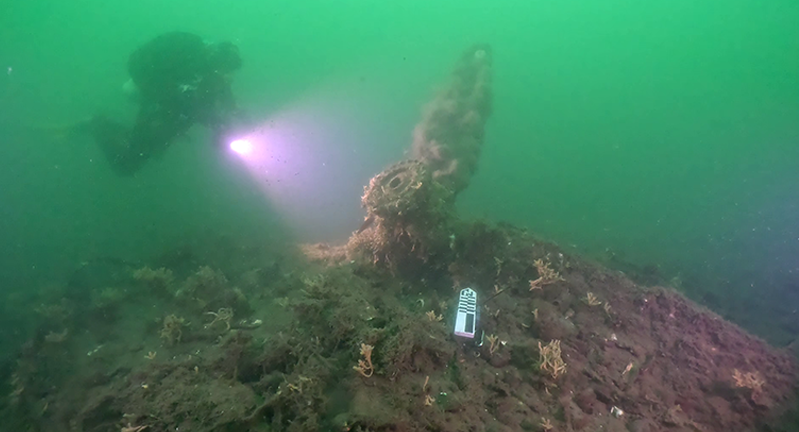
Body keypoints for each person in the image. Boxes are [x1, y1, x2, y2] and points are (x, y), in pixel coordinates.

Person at [88, 32, 246, 175]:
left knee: (143, 152)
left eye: (225, 70)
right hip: (157, 97)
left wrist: (226, 120)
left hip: (167, 104)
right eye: (221, 68)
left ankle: (106, 126)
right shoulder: (187, 53)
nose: (223, 74)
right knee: (129, 163)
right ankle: (98, 125)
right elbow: (191, 106)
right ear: (214, 55)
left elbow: (209, 103)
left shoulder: (209, 71)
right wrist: (216, 122)